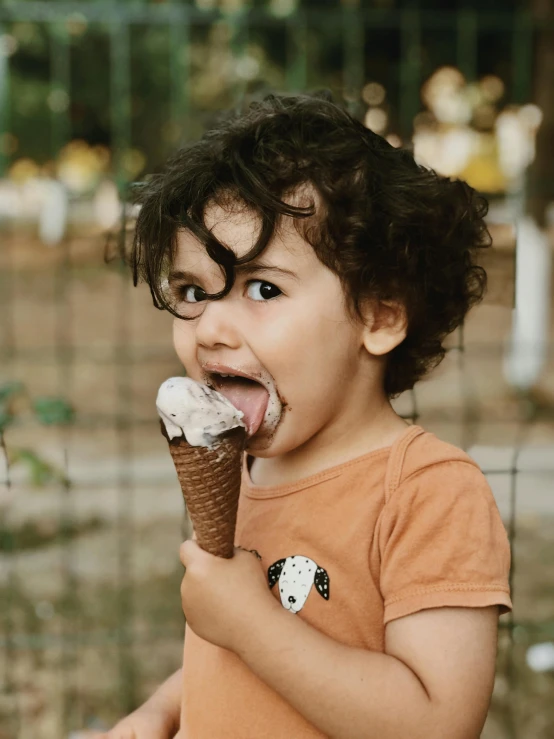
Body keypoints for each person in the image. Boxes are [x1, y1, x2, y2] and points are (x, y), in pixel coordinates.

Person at [93, 91, 512, 738]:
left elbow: (437, 721)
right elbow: (242, 653)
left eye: (263, 288)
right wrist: (163, 710)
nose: (210, 328)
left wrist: (250, 623)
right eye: (192, 292)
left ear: (379, 316)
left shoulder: (428, 490)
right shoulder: (247, 474)